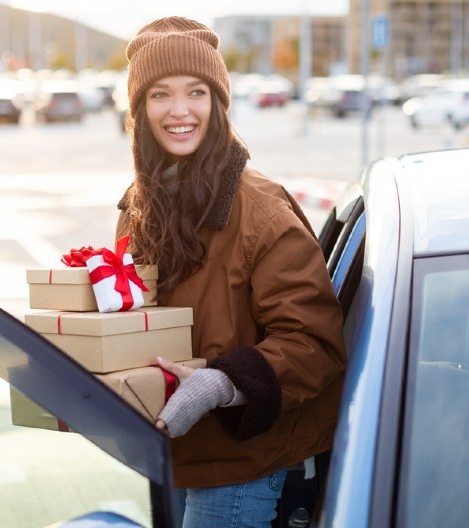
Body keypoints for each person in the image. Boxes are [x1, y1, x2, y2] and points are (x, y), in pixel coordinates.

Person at [115, 16, 347, 528]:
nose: (180, 111)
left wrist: (221, 383)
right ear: (139, 110)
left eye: (196, 92)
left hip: (245, 464)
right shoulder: (139, 208)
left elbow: (315, 343)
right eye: (160, 95)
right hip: (175, 453)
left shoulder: (260, 210)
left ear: (218, 104)